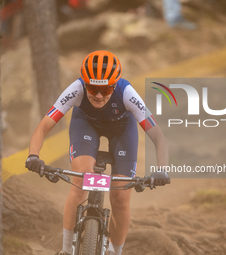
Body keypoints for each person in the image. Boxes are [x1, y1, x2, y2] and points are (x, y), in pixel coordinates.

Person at [25, 50, 170, 255]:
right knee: (81, 180)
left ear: (115, 84)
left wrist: (162, 170)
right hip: (86, 125)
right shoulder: (76, 89)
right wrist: (33, 155)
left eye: (106, 89)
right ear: (85, 84)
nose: (99, 95)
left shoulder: (127, 93)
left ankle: (114, 251)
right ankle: (66, 250)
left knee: (120, 197)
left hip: (122, 128)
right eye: (93, 89)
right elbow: (44, 125)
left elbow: (158, 136)